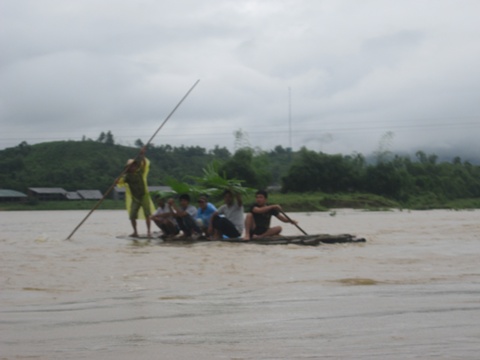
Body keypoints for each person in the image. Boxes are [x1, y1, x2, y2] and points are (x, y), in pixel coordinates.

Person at [116, 147, 155, 237]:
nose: (133, 167)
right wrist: (117, 180)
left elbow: (144, 163)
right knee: (132, 215)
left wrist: (142, 154)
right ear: (128, 168)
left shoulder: (140, 172)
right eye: (131, 166)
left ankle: (148, 231)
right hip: (135, 198)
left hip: (143, 196)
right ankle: (135, 232)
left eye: (134, 165)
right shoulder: (127, 176)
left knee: (147, 214)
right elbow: (120, 182)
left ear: (136, 166)